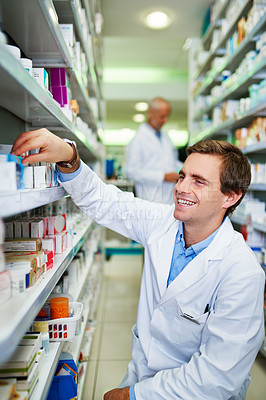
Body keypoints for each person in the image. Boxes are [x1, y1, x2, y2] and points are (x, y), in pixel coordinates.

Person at [12, 129, 265, 400]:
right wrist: (69, 158)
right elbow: (106, 202)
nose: (180, 188)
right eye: (182, 176)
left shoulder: (242, 271)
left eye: (198, 181)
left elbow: (216, 378)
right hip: (142, 374)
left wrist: (131, 395)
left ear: (231, 197)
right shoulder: (163, 221)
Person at [126, 97, 181, 204]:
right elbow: (132, 172)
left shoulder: (166, 138)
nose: (165, 120)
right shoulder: (138, 140)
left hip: (170, 199)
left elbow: (173, 162)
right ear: (151, 113)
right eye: (162, 116)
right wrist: (162, 176)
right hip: (150, 200)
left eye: (167, 116)